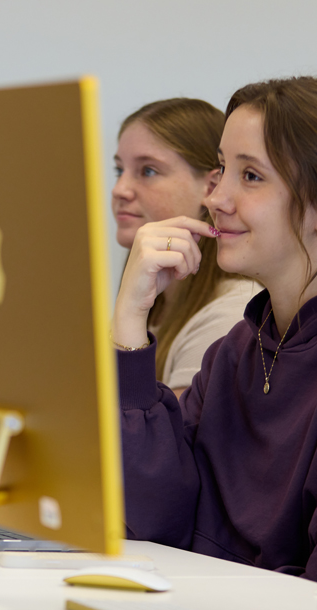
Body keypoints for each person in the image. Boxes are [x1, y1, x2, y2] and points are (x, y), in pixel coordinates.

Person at [112, 77, 317, 582]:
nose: (217, 197)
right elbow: (153, 521)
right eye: (223, 170)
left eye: (251, 176)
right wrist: (130, 321)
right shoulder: (236, 350)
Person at [112, 98, 259, 397]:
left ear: (211, 188)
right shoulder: (158, 301)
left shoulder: (232, 314)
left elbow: (163, 443)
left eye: (148, 171)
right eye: (119, 171)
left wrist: (128, 313)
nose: (119, 190)